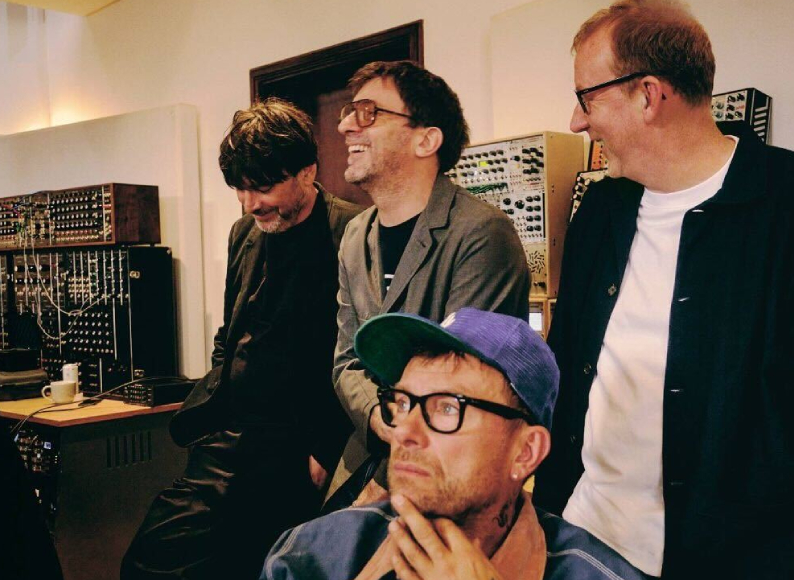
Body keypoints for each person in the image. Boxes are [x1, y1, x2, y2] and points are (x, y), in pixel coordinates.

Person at [533, 1, 794, 578]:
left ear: (648, 95)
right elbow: (565, 371)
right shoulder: (600, 212)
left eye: (587, 98)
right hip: (585, 543)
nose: (577, 121)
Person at [121, 98, 363, 580]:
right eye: (240, 188)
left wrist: (325, 447)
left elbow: (362, 354)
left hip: (302, 442)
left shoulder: (353, 233)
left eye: (263, 186)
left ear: (307, 171)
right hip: (232, 436)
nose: (251, 203)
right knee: (148, 561)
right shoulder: (243, 233)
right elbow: (230, 331)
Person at [261, 308, 649, 580]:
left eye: (447, 407)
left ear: (525, 452)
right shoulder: (311, 556)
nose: (404, 432)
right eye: (402, 403)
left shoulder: (597, 573)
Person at [329, 61, 530, 500]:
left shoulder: (481, 234)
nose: (345, 126)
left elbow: (463, 383)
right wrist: (380, 419)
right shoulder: (355, 235)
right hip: (365, 454)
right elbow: (346, 361)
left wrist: (387, 482)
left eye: (368, 113)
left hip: (447, 475)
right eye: (348, 112)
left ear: (426, 140)